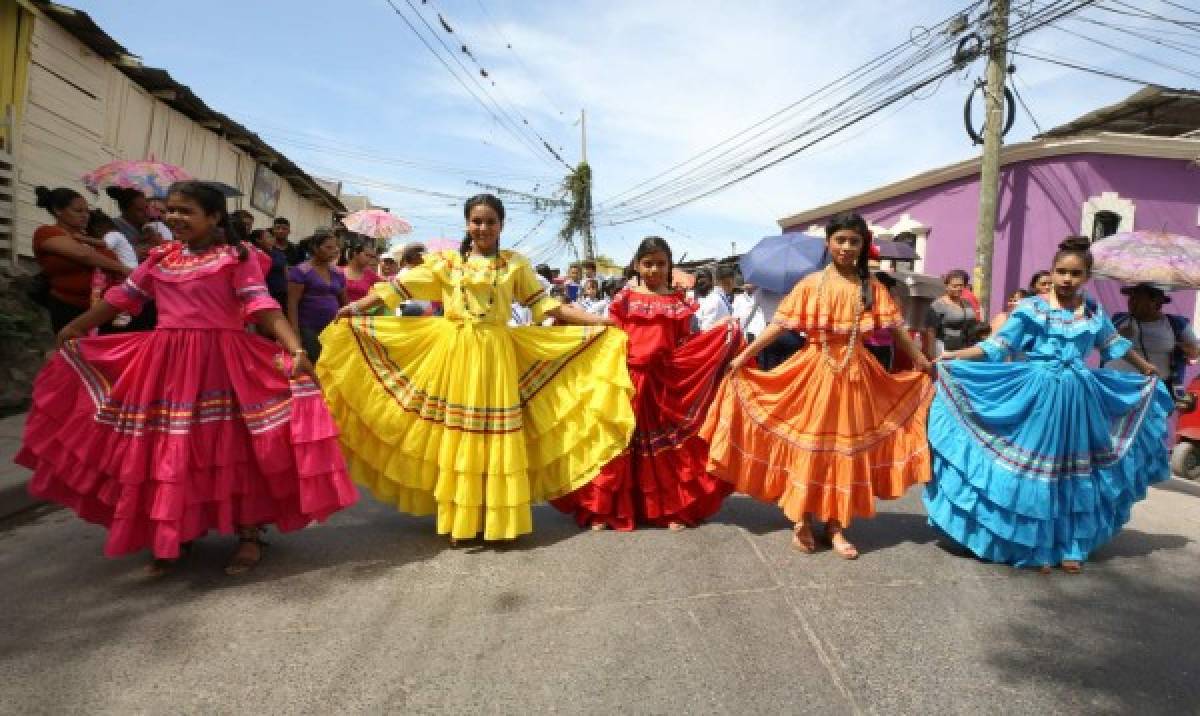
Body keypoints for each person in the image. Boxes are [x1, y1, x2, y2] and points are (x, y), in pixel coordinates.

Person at [17, 180, 357, 575]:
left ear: (214, 217)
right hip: (166, 365)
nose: (174, 218)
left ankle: (249, 535)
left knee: (235, 447)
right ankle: (175, 534)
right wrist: (76, 327)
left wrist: (294, 348)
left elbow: (262, 305)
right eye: (170, 210)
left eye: (185, 211)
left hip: (225, 364)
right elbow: (122, 297)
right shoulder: (161, 258)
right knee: (169, 449)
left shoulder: (236, 256)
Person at [317, 193, 635, 544]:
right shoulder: (446, 263)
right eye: (476, 221)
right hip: (455, 353)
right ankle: (459, 520)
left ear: (501, 225)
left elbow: (546, 306)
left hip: (497, 355)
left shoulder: (514, 265)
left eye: (490, 222)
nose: (483, 228)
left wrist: (598, 321)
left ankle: (496, 520)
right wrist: (358, 306)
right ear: (467, 224)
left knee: (494, 436)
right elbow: (399, 288)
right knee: (460, 435)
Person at [925, 237, 1170, 573]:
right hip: (1038, 395)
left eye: (1075, 273)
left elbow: (1114, 345)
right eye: (1061, 272)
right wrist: (955, 356)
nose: (1067, 279)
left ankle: (1070, 545)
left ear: (1086, 277)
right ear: (1052, 272)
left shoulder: (1094, 312)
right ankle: (1036, 546)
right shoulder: (1031, 309)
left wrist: (1145, 368)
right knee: (1038, 471)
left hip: (1078, 397)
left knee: (1070, 473)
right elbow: (997, 347)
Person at [701, 211, 933, 559]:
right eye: (840, 240)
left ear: (863, 245)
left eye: (854, 241)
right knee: (809, 447)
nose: (847, 247)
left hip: (857, 377)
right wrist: (742, 356)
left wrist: (921, 360)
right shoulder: (809, 286)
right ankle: (803, 521)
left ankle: (837, 525)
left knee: (847, 451)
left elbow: (898, 330)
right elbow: (777, 326)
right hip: (812, 373)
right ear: (829, 243)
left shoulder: (872, 289)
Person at [552, 237, 740, 531]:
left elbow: (684, 342)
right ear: (637, 265)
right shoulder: (624, 299)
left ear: (669, 266)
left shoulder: (679, 302)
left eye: (660, 264)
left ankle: (669, 510)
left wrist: (721, 337)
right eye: (648, 263)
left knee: (670, 450)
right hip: (625, 380)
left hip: (664, 384)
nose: (654, 269)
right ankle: (603, 510)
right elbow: (610, 335)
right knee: (616, 445)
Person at [31, 187, 131, 332]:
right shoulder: (46, 232)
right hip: (70, 308)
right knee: (75, 352)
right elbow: (82, 255)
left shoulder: (89, 237)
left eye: (86, 211)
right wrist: (122, 268)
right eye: (78, 211)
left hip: (104, 311)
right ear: (58, 211)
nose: (85, 216)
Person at [1108, 283, 1199, 393]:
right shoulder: (1118, 320)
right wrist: (1118, 336)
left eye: (1138, 298)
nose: (1132, 302)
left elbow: (1195, 352)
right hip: (1115, 387)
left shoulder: (1176, 324)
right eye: (1131, 297)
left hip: (1155, 390)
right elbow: (1103, 345)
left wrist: (1187, 349)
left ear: (1156, 303)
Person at [287, 232, 347, 360]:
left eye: (335, 247)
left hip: (333, 327)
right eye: (328, 247)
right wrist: (295, 332)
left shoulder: (337, 273)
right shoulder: (301, 271)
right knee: (314, 362)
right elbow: (292, 303)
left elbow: (344, 301)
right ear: (315, 248)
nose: (334, 251)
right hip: (308, 328)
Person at [922, 269, 978, 359]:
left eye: (961, 285)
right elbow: (930, 332)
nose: (958, 288)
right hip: (945, 351)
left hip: (966, 350)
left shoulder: (966, 303)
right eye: (954, 286)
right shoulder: (938, 305)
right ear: (947, 286)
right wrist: (931, 356)